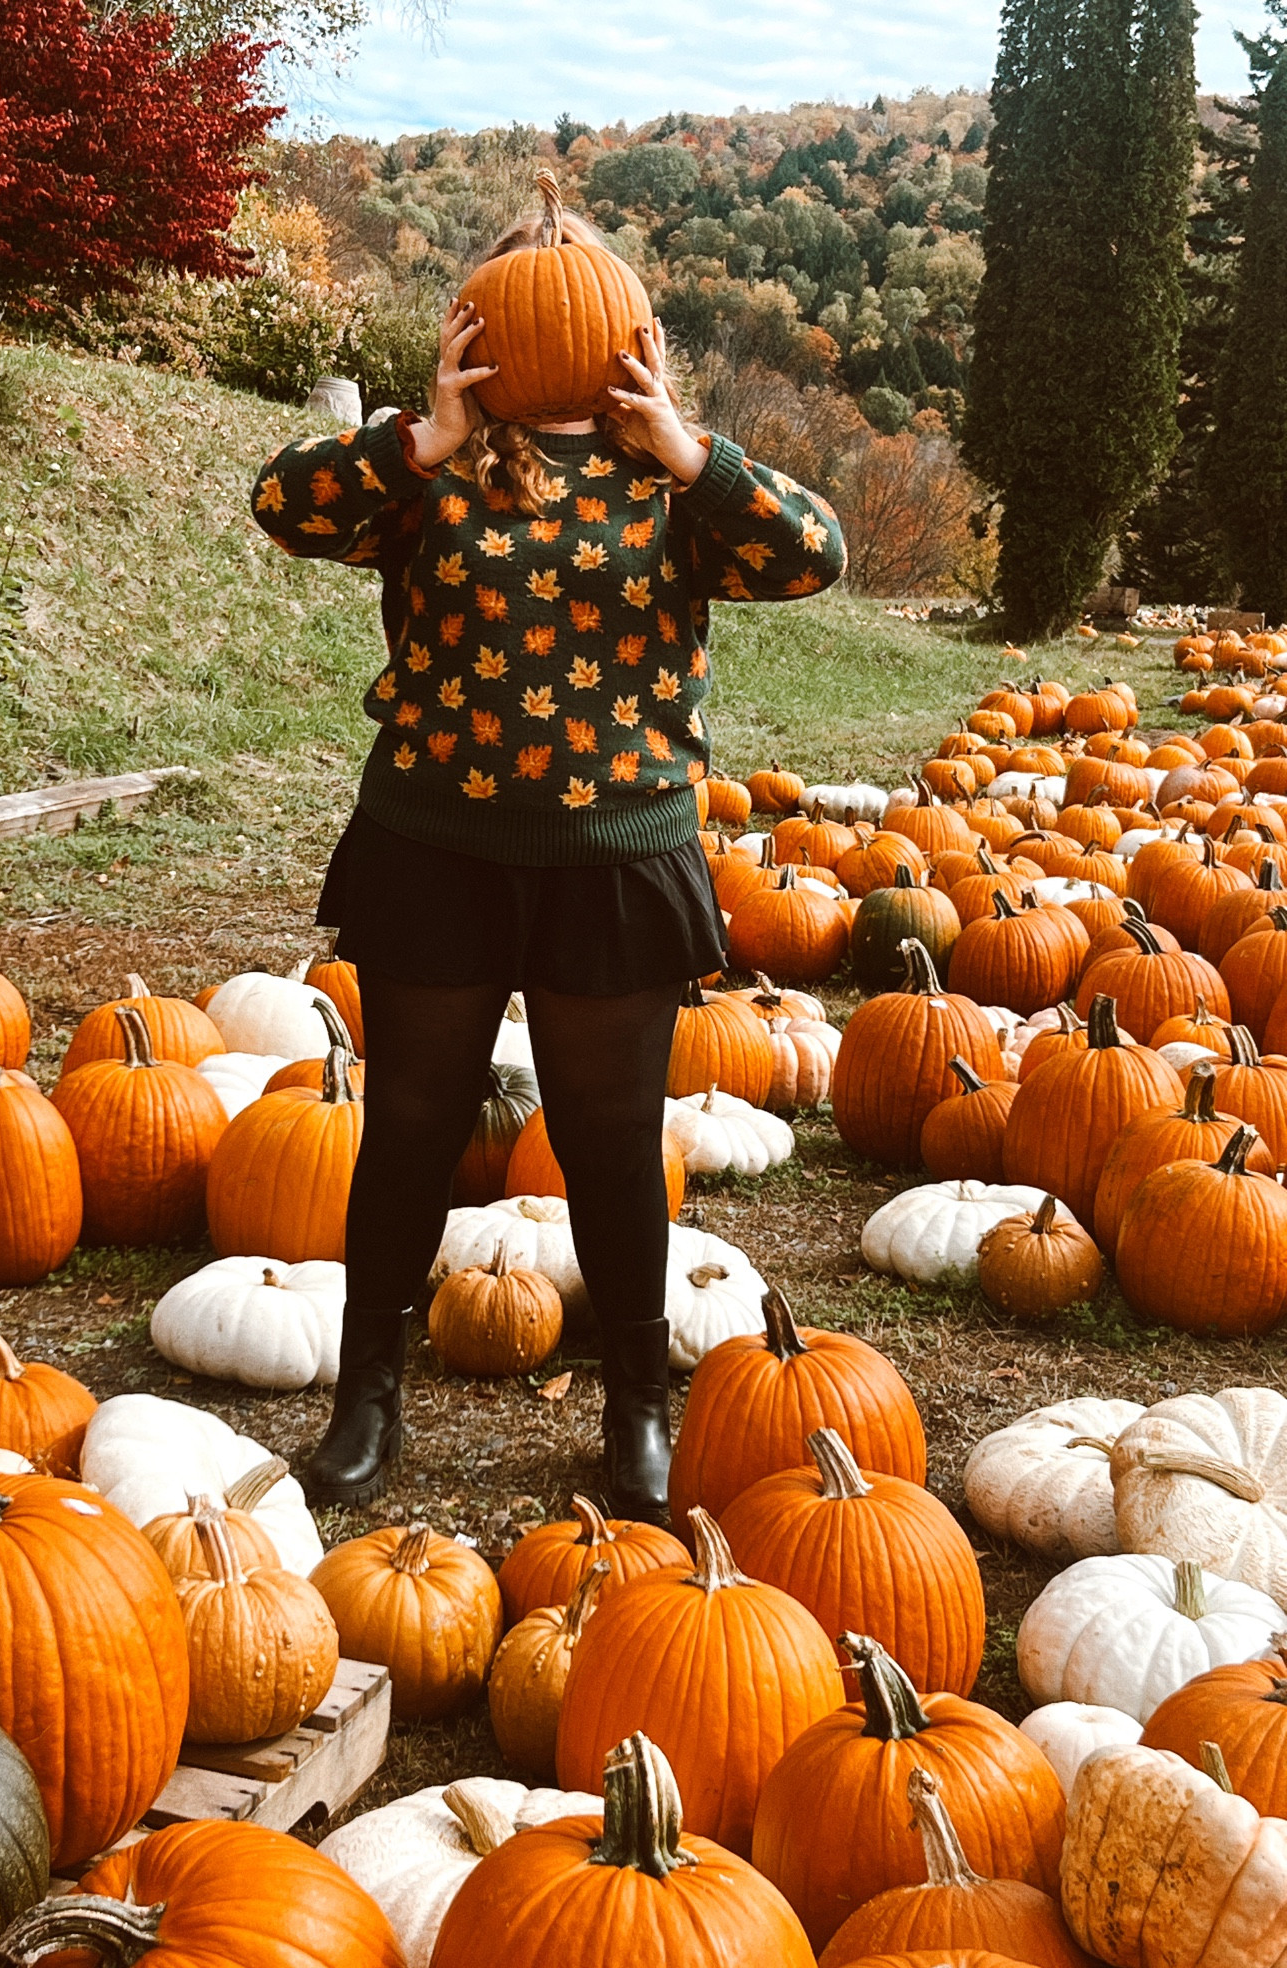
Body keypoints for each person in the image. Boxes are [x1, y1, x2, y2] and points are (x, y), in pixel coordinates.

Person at [251, 195, 846, 1528]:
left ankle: (638, 1408)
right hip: (435, 850)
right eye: (511, 296)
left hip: (614, 864)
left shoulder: (676, 485)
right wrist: (424, 437)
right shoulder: (431, 474)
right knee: (406, 1126)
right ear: (475, 329)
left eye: (563, 298)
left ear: (626, 336)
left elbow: (816, 555)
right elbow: (283, 505)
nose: (536, 316)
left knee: (611, 1141)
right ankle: (369, 1399)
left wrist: (693, 454)